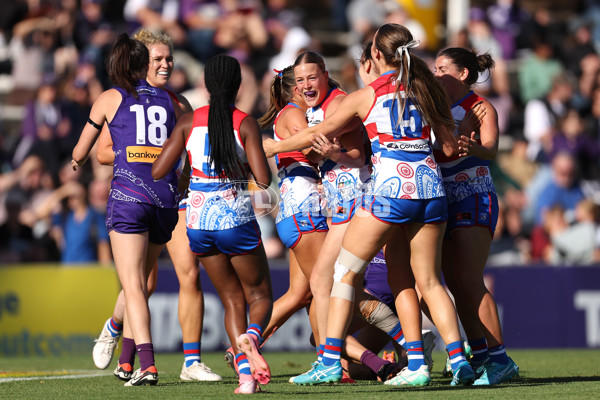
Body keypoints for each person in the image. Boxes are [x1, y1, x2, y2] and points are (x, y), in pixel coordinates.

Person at [263, 23, 473, 387]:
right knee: (424, 282)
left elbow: (319, 131)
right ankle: (453, 362)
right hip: (431, 191)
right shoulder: (429, 91)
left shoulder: (366, 95)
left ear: (377, 55)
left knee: (343, 274)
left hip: (391, 192)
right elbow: (451, 149)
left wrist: (272, 148)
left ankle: (330, 360)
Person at [90, 29, 222, 383]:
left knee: (188, 273)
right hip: (136, 194)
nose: (165, 65)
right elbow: (102, 151)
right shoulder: (123, 101)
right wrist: (143, 155)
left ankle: (191, 362)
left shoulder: (179, 104)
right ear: (140, 63)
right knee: (141, 284)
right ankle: (120, 338)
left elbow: (195, 150)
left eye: (169, 59)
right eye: (157, 59)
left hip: (172, 197)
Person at [152, 54, 274, 395]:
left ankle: (247, 379)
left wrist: (190, 169)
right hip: (234, 218)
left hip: (198, 220)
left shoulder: (189, 121)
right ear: (237, 85)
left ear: (206, 84)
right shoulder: (244, 122)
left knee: (233, 301)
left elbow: (159, 170)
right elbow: (262, 180)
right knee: (261, 296)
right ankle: (251, 339)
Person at [72, 33, 180, 386]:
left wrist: (75, 161)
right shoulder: (174, 102)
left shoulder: (109, 97)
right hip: (165, 201)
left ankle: (146, 363)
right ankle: (124, 355)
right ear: (143, 63)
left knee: (134, 285)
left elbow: (82, 152)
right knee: (142, 285)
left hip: (130, 198)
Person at [433, 47, 519, 385]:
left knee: (469, 279)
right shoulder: (435, 107)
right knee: (454, 283)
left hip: (473, 193)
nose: (436, 73)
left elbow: (492, 148)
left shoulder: (480, 107)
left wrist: (472, 146)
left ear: (463, 73)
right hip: (441, 198)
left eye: (442, 67)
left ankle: (500, 360)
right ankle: (481, 355)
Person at [256, 66, 327, 343]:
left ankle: (245, 347)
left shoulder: (287, 114)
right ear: (296, 89)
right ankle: (331, 357)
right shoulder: (294, 113)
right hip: (304, 210)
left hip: (294, 210)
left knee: (302, 294)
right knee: (327, 288)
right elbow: (310, 146)